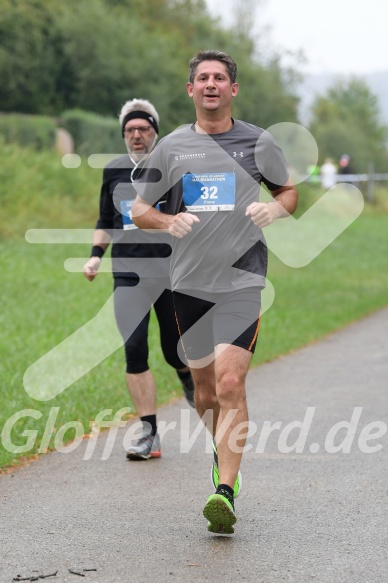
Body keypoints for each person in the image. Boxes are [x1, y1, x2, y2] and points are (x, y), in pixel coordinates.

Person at [132, 50, 298, 534]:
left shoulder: (257, 141)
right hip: (189, 282)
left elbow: (288, 191)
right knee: (204, 390)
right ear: (190, 90)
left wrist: (276, 209)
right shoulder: (172, 147)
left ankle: (225, 489)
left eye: (219, 78)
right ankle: (220, 448)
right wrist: (168, 219)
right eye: (202, 78)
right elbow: (141, 210)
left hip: (243, 278)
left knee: (229, 383)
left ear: (233, 89)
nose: (210, 84)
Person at [83, 98, 195, 462]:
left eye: (143, 129)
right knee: (134, 349)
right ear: (123, 135)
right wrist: (95, 257)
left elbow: (190, 215)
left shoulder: (172, 167)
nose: (136, 135)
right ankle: (150, 433)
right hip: (129, 275)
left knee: (173, 349)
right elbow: (105, 220)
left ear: (155, 133)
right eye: (130, 130)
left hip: (169, 274)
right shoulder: (114, 171)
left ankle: (188, 379)